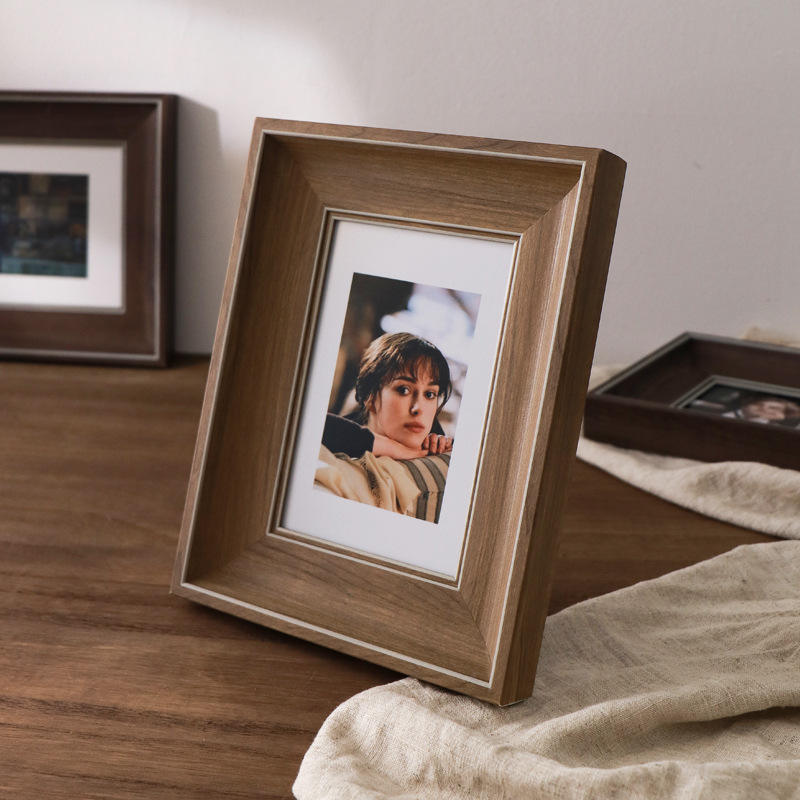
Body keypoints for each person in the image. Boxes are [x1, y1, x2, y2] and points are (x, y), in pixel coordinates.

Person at [323, 332, 455, 459]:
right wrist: (390, 448)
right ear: (370, 396)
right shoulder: (332, 445)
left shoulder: (440, 451)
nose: (418, 408)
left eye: (430, 394)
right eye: (404, 390)